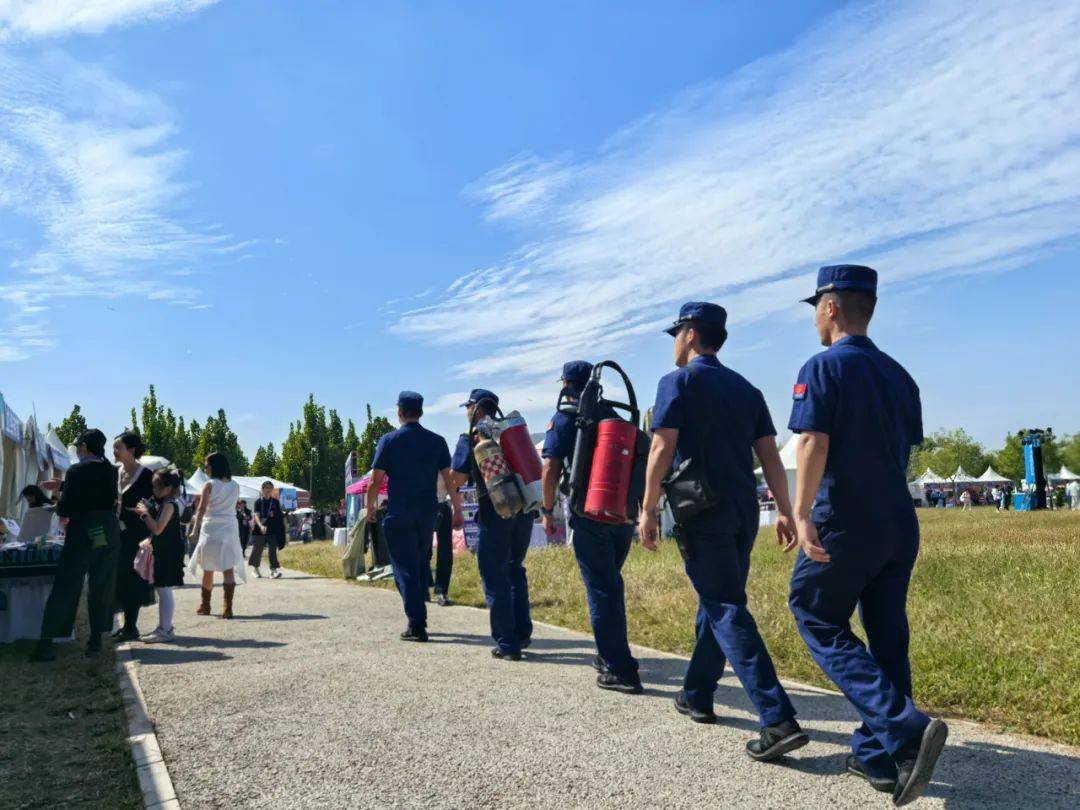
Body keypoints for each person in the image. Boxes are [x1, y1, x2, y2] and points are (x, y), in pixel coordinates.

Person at [787, 265, 947, 805]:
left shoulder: (823, 367)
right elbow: (904, 450)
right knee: (887, 633)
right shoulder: (901, 375)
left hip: (844, 517)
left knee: (815, 613)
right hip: (899, 521)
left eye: (816, 306)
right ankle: (878, 755)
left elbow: (813, 441)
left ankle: (904, 728)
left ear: (830, 307)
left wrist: (802, 510)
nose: (815, 317)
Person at [638, 302, 806, 760]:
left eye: (676, 333)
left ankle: (777, 718)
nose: (674, 341)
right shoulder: (746, 388)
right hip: (744, 510)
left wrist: (648, 508)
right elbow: (769, 454)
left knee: (725, 605)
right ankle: (696, 693)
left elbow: (661, 448)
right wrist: (785, 509)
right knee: (720, 598)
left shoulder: (677, 382)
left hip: (700, 508)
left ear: (690, 334)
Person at [542, 360, 642, 694]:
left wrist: (547, 510)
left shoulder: (566, 419)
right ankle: (609, 653)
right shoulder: (611, 417)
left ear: (567, 385)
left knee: (601, 590)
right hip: (621, 516)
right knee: (611, 585)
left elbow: (550, 468)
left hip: (588, 514)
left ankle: (620, 668)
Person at [368, 391, 462, 642]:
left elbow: (376, 480)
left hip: (400, 512)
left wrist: (369, 508)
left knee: (403, 567)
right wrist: (458, 509)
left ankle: (416, 623)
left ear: (399, 411)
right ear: (420, 412)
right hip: (429, 512)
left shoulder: (389, 441)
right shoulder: (437, 441)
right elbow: (449, 479)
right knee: (419, 562)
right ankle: (418, 606)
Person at [450, 389, 533, 660]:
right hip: (523, 513)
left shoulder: (470, 437)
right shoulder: (509, 431)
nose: (466, 411)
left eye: (468, 407)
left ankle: (507, 643)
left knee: (494, 576)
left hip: (495, 514)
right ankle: (522, 632)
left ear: (474, 408)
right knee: (515, 570)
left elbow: (458, 477)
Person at [30, 429, 122, 661]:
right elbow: (96, 491)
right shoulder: (111, 470)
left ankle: (46, 642)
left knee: (66, 585)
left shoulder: (76, 470)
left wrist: (60, 497)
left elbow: (67, 507)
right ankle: (96, 640)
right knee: (101, 584)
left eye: (78, 446)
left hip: (83, 531)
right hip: (107, 529)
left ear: (84, 447)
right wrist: (63, 485)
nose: (77, 450)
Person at [187, 453, 246, 618]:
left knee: (208, 568)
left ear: (214, 466)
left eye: (207, 465)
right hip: (230, 528)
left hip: (211, 529)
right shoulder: (235, 485)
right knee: (228, 568)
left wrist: (194, 530)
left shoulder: (209, 485)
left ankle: (205, 606)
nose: (205, 468)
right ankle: (228, 609)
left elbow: (202, 509)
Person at [133, 469, 186, 642]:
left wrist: (144, 513)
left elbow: (157, 528)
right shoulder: (167, 503)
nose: (153, 490)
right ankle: (164, 627)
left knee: (164, 590)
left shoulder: (169, 504)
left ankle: (165, 629)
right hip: (165, 549)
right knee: (163, 589)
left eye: (156, 486)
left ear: (168, 488)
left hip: (167, 551)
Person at [113, 431, 156, 641]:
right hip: (115, 533)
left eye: (118, 447)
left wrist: (145, 508)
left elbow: (156, 502)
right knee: (118, 577)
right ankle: (125, 625)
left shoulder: (147, 475)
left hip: (136, 534)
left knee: (132, 578)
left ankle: (131, 626)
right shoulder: (115, 473)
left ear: (131, 450)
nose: (114, 451)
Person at [429, 472, 455, 606]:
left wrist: (457, 508)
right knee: (424, 550)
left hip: (443, 503)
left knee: (445, 552)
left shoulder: (442, 454)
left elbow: (452, 481)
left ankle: (441, 591)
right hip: (424, 505)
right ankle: (422, 587)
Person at [250, 482, 284, 578]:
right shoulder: (258, 502)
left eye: (270, 488)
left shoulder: (275, 502)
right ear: (262, 489)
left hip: (271, 529)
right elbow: (256, 515)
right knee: (257, 550)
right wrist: (260, 526)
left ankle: (273, 570)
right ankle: (255, 570)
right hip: (259, 529)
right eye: (266, 488)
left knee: (272, 550)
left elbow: (279, 516)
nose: (268, 490)